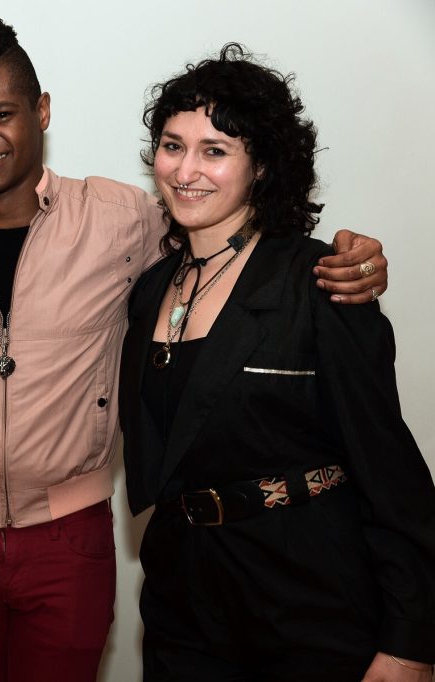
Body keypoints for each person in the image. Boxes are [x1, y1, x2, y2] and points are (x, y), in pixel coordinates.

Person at [0, 17, 390, 682]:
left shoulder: (124, 218)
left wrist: (353, 259)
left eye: (0, 113)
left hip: (72, 535)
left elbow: (230, 247)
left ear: (42, 111)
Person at [119, 44, 435, 680]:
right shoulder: (152, 288)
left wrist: (412, 642)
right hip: (184, 601)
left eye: (215, 150)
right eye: (173, 145)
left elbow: (392, 474)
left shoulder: (322, 282)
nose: (186, 170)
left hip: (306, 598)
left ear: (260, 166)